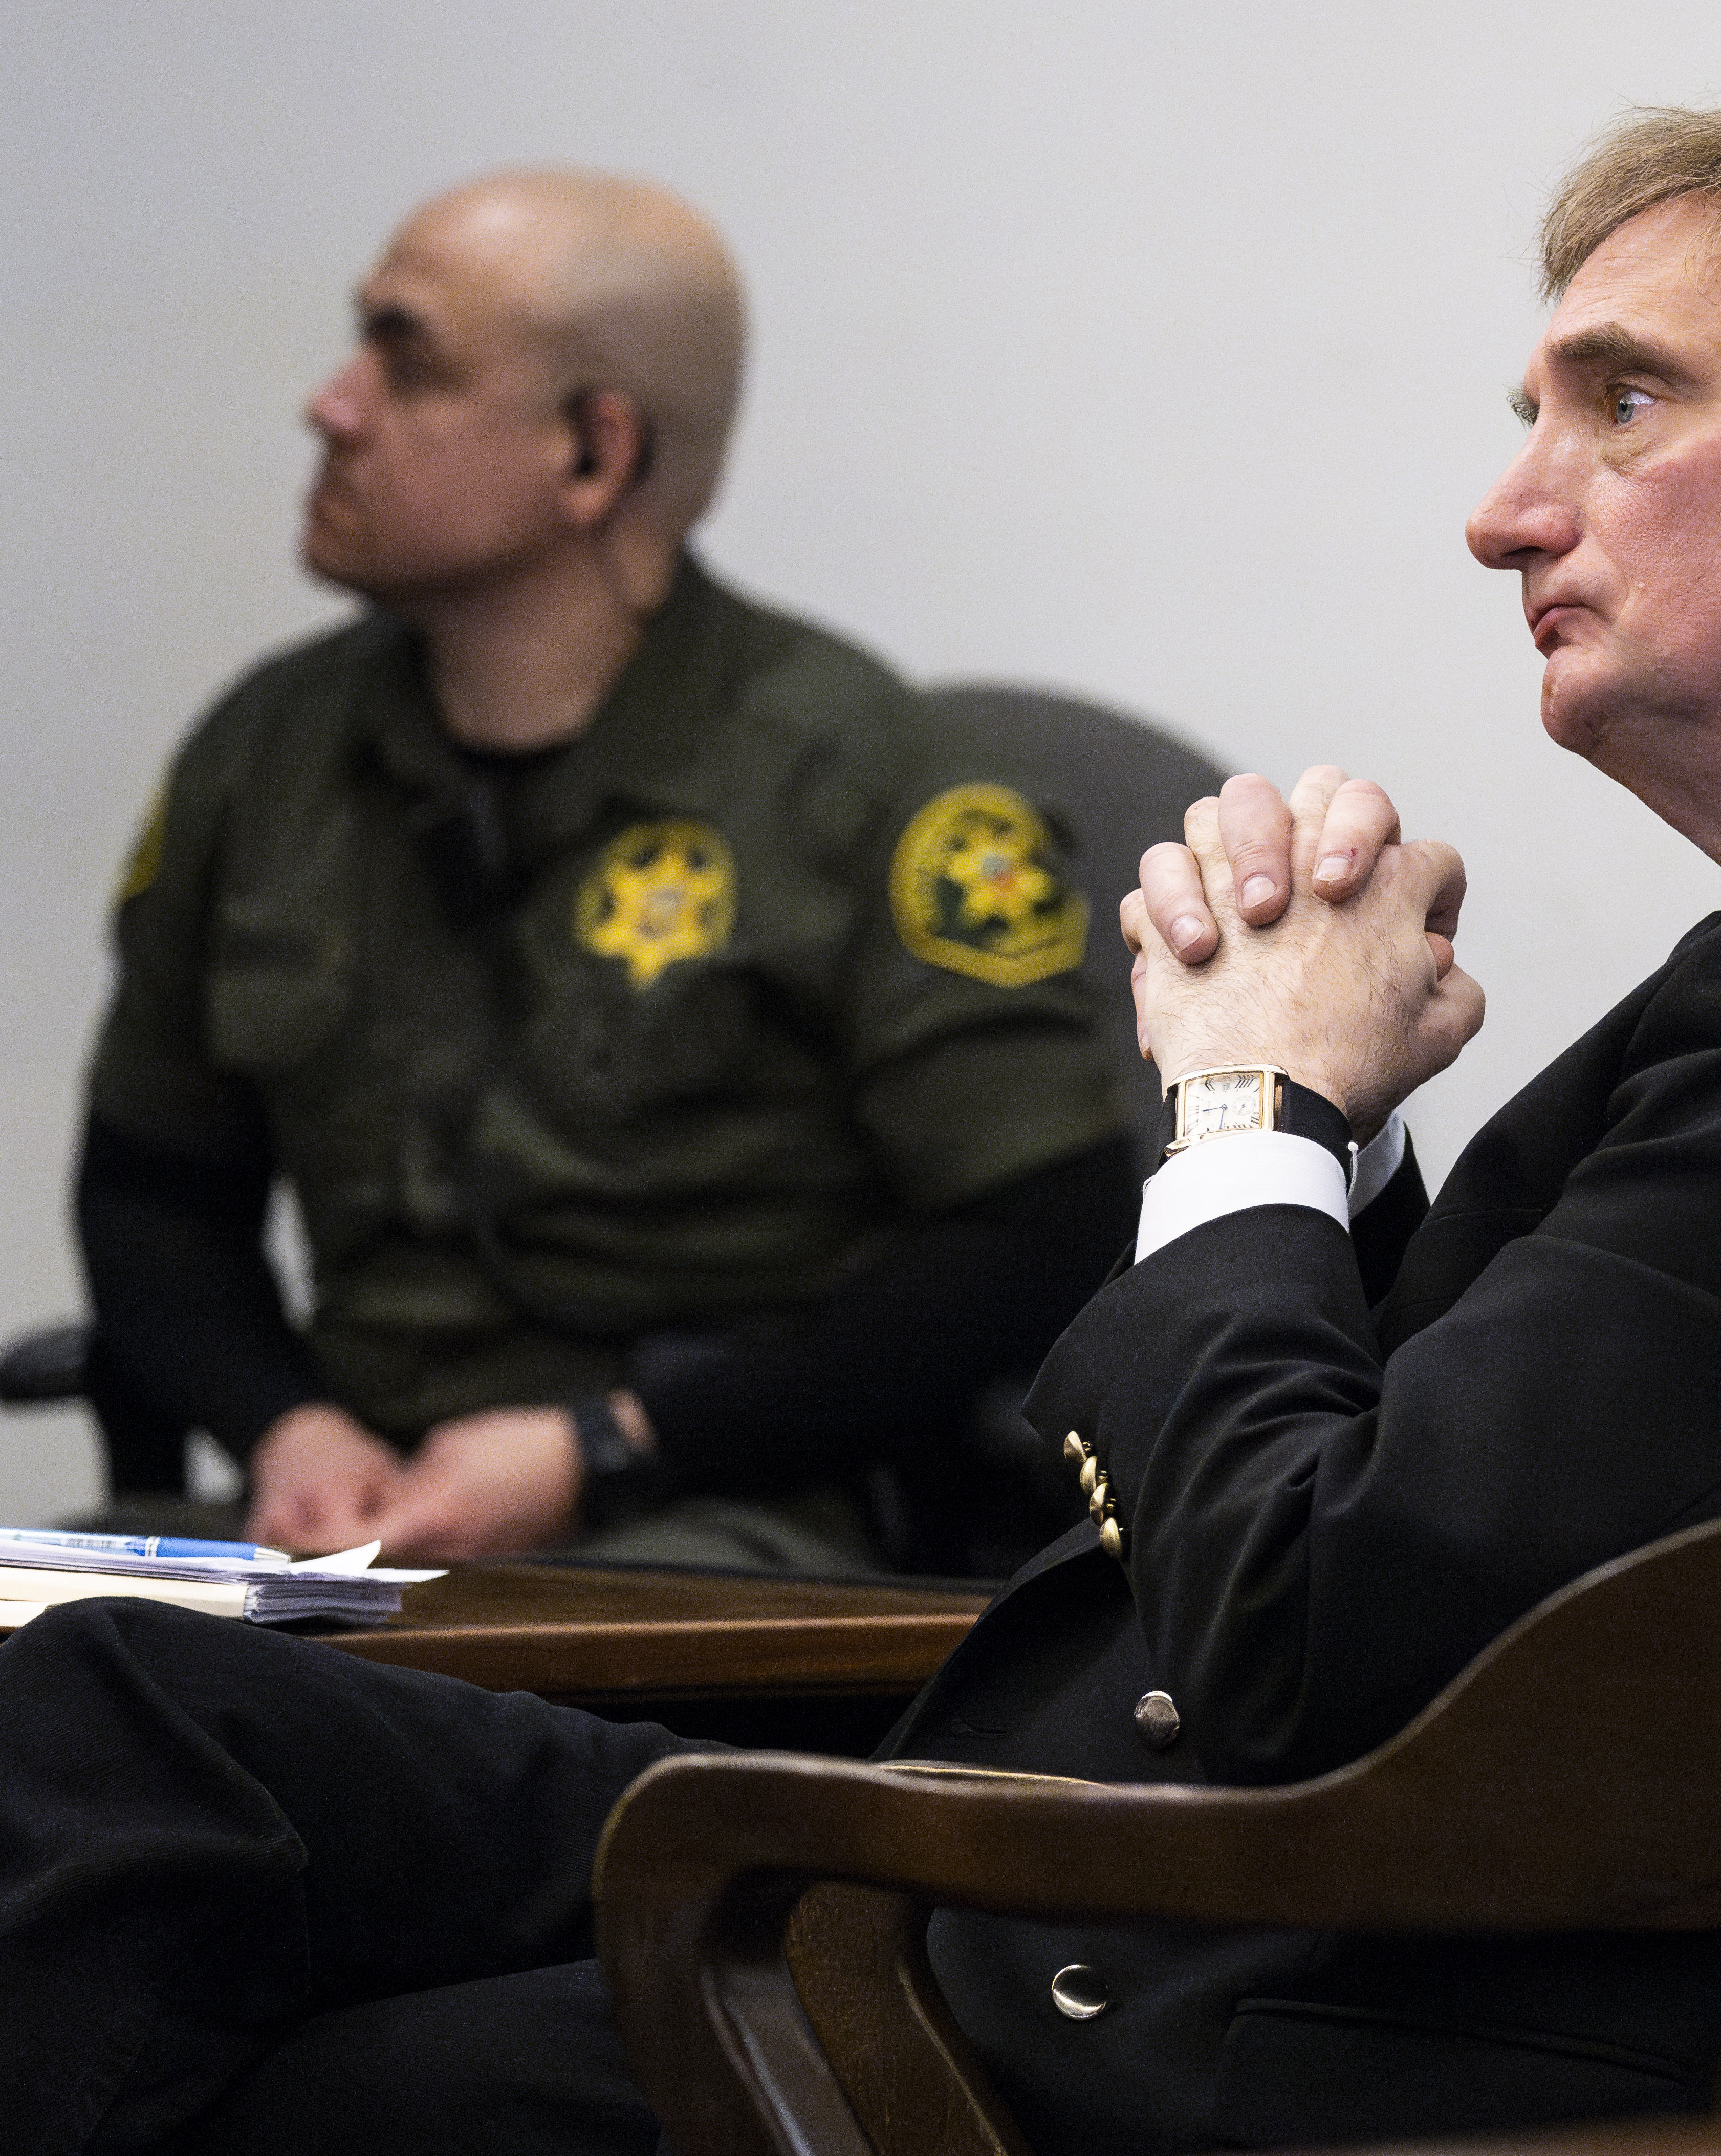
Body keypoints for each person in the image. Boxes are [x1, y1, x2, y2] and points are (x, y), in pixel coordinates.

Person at [0, 92, 1721, 2156]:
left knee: (252, 1998)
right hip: (1177, 1868)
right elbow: (1544, 1514)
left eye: (1621, 403)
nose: (1505, 508)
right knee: (152, 1717)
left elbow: (1308, 1627)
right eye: (1530, 416)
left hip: (1219, 1982)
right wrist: (1339, 1144)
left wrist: (1246, 1106)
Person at [75, 169, 1136, 1572]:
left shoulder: (864, 779)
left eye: (405, 361)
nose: (332, 406)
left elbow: (1032, 1230)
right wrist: (285, 1427)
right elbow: (153, 1182)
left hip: (719, 1512)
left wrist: (616, 1442)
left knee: (330, 1724)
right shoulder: (268, 754)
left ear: (594, 452)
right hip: (345, 1506)